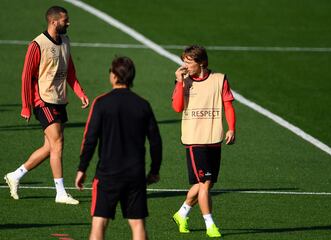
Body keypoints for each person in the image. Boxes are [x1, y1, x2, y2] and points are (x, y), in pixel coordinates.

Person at [4, 6, 89, 205]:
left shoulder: (66, 41)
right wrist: (26, 105)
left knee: (50, 147)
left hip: (59, 100)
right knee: (58, 142)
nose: (68, 23)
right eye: (65, 20)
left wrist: (80, 92)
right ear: (53, 22)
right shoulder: (37, 44)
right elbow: (26, 76)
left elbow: (70, 72)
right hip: (43, 100)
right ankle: (60, 192)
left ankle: (16, 175)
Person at [75, 56, 162, 240]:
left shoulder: (101, 103)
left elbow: (90, 139)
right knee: (137, 224)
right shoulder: (142, 105)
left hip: (107, 174)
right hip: (135, 174)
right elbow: (156, 141)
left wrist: (82, 169)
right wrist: (154, 170)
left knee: (99, 223)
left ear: (114, 76)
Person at [171, 45, 236, 238]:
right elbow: (177, 107)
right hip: (193, 138)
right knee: (205, 182)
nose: (185, 65)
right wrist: (179, 82)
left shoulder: (219, 79)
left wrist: (231, 128)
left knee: (205, 184)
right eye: (184, 61)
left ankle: (182, 213)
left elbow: (228, 105)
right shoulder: (183, 81)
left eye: (189, 62)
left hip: (213, 137)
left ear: (202, 63)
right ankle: (210, 225)